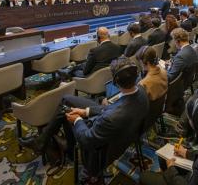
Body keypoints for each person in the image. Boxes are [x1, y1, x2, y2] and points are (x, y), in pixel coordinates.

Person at [20, 57, 149, 183]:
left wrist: (77, 120)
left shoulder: (111, 118)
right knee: (66, 100)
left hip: (101, 153)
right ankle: (44, 142)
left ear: (115, 82)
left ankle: (59, 148)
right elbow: (113, 109)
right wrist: (85, 112)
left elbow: (87, 139)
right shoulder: (142, 92)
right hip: (122, 134)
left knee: (66, 111)